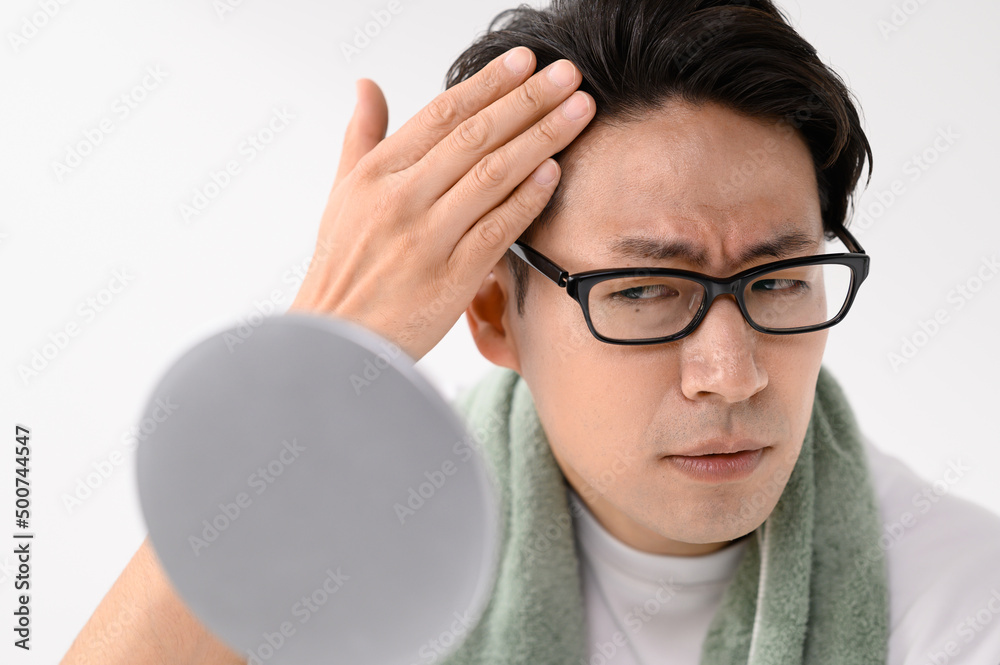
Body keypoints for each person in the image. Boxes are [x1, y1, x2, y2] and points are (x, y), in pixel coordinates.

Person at [61, 0, 1000, 663]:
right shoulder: (345, 564)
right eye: (646, 290)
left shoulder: (959, 601)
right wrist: (319, 357)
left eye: (781, 279)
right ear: (495, 313)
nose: (732, 371)